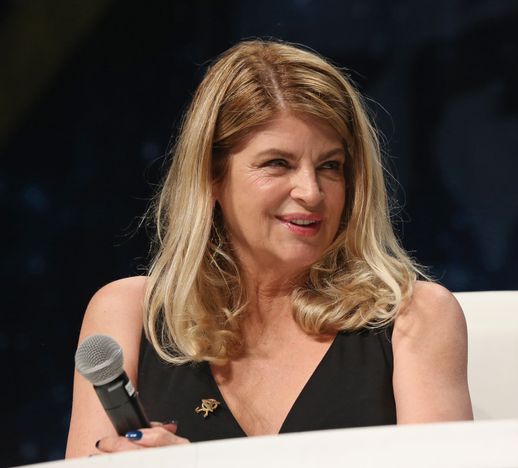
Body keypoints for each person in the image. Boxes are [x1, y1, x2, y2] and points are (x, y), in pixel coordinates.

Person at [65, 39, 472, 458]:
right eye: (278, 163)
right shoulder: (126, 315)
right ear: (212, 177)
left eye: (330, 166)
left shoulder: (417, 318)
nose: (312, 192)